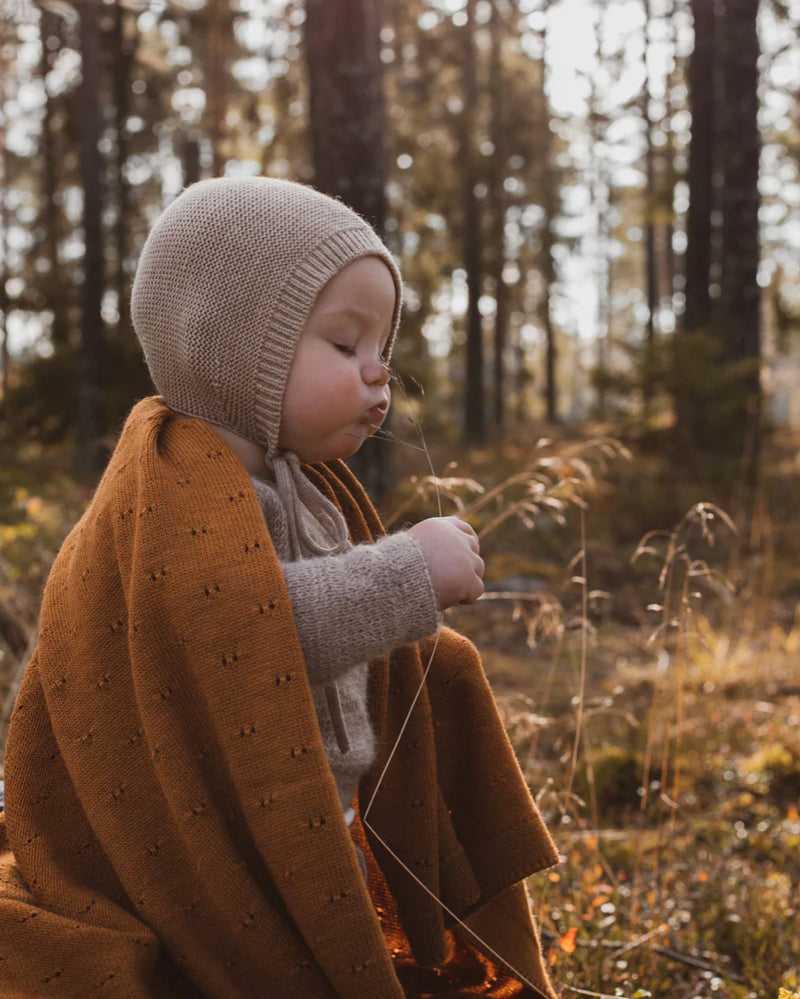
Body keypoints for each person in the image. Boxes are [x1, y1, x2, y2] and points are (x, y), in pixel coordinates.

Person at [0, 177, 558, 998]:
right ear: (226, 344)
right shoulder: (174, 484)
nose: (379, 376)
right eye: (344, 345)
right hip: (198, 834)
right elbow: (241, 632)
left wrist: (428, 662)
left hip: (297, 812)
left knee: (445, 665)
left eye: (384, 351)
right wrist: (408, 572)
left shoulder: (301, 485)